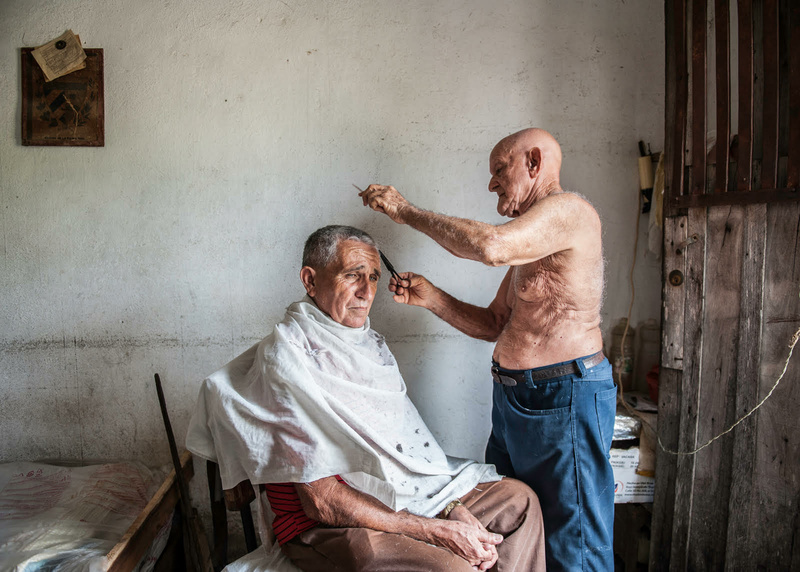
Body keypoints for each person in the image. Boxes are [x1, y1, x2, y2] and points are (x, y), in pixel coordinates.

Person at [186, 225, 545, 572]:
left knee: (519, 502)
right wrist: (433, 529)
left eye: (373, 276)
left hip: (400, 498)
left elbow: (406, 461)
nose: (367, 291)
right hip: (330, 525)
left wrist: (451, 507)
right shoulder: (286, 360)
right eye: (352, 275)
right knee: (453, 568)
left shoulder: (371, 348)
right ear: (310, 280)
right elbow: (322, 501)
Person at [358, 128, 616, 571]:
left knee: (575, 545)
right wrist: (432, 297)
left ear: (534, 162)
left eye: (500, 169)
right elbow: (496, 323)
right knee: (512, 526)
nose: (491, 184)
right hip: (516, 401)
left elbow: (491, 247)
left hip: (563, 399)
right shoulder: (535, 245)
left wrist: (404, 210)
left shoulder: (571, 211)